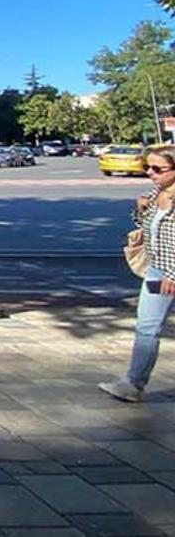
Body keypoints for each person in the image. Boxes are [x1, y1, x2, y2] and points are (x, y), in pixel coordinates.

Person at [100, 145, 175, 402]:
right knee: (147, 326)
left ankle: (133, 383)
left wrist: (173, 275)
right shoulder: (156, 193)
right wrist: (140, 209)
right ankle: (133, 384)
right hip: (157, 269)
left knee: (149, 325)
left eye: (158, 169)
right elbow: (145, 227)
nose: (150, 173)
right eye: (147, 168)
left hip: (171, 273)